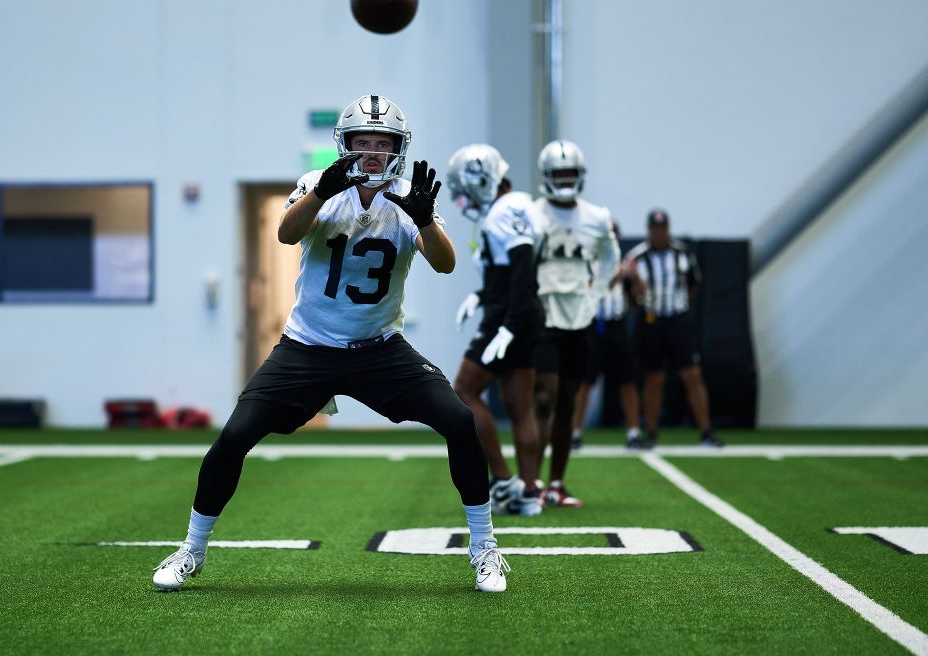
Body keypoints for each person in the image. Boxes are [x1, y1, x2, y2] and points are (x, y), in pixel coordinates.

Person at [153, 95, 509, 593]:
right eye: (361, 142)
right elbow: (285, 232)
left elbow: (445, 263)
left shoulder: (408, 197)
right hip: (308, 347)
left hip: (379, 348)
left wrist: (426, 220)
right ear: (344, 145)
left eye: (381, 144)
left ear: (397, 149)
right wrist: (320, 191)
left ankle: (484, 549)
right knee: (234, 437)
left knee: (459, 420)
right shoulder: (320, 186)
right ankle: (191, 549)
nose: (371, 153)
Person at [446, 144, 544, 517]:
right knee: (520, 406)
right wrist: (480, 294)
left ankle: (503, 479)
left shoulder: (504, 212)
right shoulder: (518, 206)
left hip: (511, 314)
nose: (463, 198)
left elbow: (522, 267)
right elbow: (508, 272)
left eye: (465, 188)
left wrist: (508, 325)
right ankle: (530, 492)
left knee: (464, 391)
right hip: (520, 311)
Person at [529, 140, 619, 507]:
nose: (564, 181)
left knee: (567, 401)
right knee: (543, 397)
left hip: (579, 318)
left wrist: (596, 294)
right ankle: (531, 481)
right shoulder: (532, 214)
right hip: (544, 315)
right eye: (558, 175)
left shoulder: (597, 217)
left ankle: (557, 483)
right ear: (546, 177)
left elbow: (612, 258)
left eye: (570, 174)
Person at [624, 209, 723, 448]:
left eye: (663, 228)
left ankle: (706, 431)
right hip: (651, 319)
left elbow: (693, 285)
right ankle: (651, 433)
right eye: (655, 229)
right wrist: (637, 282)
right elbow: (631, 298)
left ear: (668, 229)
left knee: (692, 374)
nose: (659, 233)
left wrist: (681, 306)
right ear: (649, 230)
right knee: (653, 377)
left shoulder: (683, 253)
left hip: (677, 318)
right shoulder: (637, 256)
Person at [588, 221, 646, 449]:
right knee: (585, 382)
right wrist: (618, 275)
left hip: (617, 325)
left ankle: (633, 433)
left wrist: (635, 277)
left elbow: (639, 297)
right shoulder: (588, 263)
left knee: (627, 381)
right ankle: (574, 433)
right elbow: (595, 289)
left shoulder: (625, 263)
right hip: (594, 325)